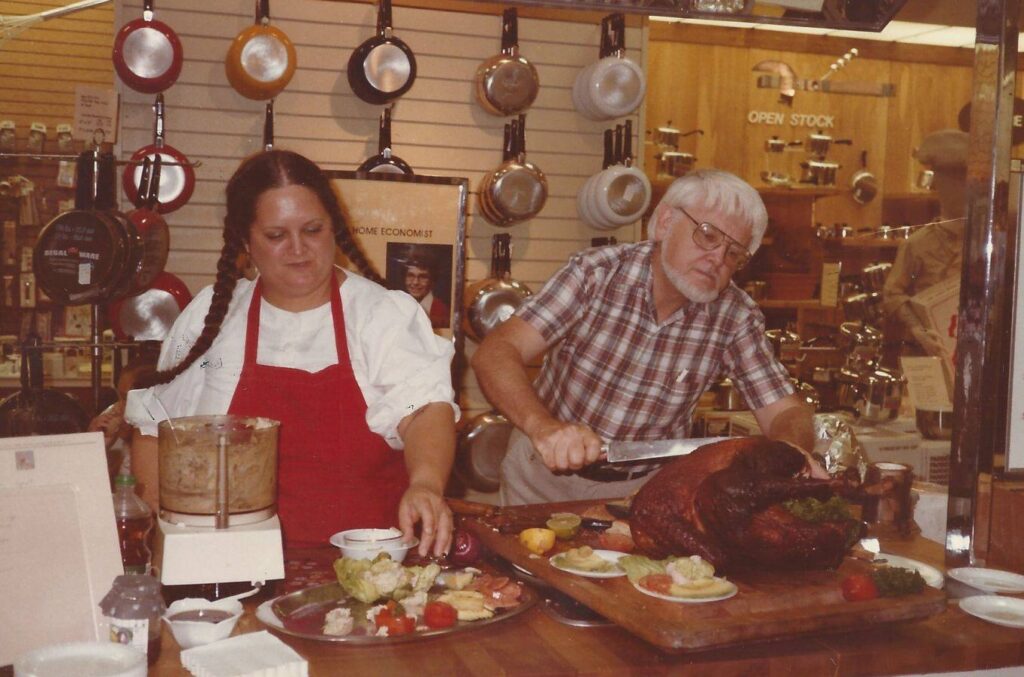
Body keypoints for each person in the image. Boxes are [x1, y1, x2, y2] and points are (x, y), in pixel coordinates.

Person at [125, 149, 458, 556]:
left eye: (313, 230)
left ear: (335, 228)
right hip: (230, 564)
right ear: (246, 241)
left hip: (367, 569)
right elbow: (155, 427)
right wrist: (162, 530)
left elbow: (425, 409)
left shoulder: (381, 314)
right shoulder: (212, 318)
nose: (299, 249)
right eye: (277, 235)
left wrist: (425, 483)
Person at [471, 168, 821, 505]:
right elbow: (498, 351)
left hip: (642, 493)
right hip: (542, 476)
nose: (717, 258)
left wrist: (792, 450)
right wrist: (543, 428)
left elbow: (785, 412)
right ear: (666, 221)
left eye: (733, 253)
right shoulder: (595, 275)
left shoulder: (734, 315)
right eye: (707, 234)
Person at [882, 128, 968, 358]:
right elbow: (892, 295)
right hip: (924, 353)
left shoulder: (987, 245)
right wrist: (918, 330)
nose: (957, 191)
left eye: (963, 182)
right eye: (949, 182)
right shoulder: (917, 245)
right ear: (938, 185)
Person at [88, 352, 158, 489]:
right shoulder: (113, 420)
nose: (119, 407)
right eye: (119, 397)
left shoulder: (157, 436)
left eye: (126, 399)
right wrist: (96, 444)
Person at [402, 255, 450, 329]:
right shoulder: (399, 306)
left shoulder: (442, 311)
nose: (415, 282)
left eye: (423, 277)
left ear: (432, 281)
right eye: (410, 275)